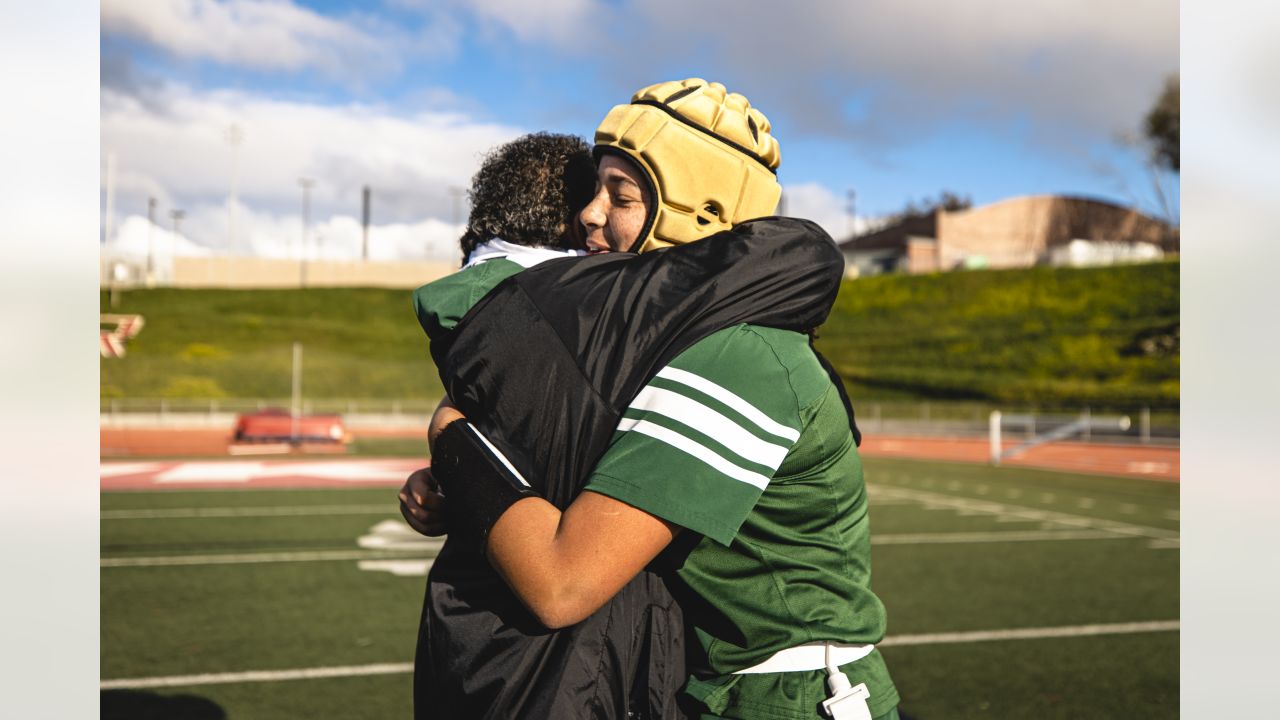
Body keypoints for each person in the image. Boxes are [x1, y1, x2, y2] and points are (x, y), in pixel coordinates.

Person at [409, 79, 898, 719]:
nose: (588, 214)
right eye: (594, 191)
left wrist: (453, 435)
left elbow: (560, 581)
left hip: (786, 699)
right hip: (715, 688)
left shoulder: (737, 357)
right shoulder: (685, 341)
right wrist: (465, 483)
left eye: (622, 195)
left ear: (700, 212)